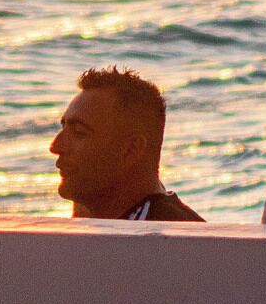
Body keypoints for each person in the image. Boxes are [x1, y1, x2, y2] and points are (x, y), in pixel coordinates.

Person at [51, 67, 200, 221]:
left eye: (79, 132)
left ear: (131, 149)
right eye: (63, 127)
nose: (55, 146)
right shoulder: (107, 220)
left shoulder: (171, 232)